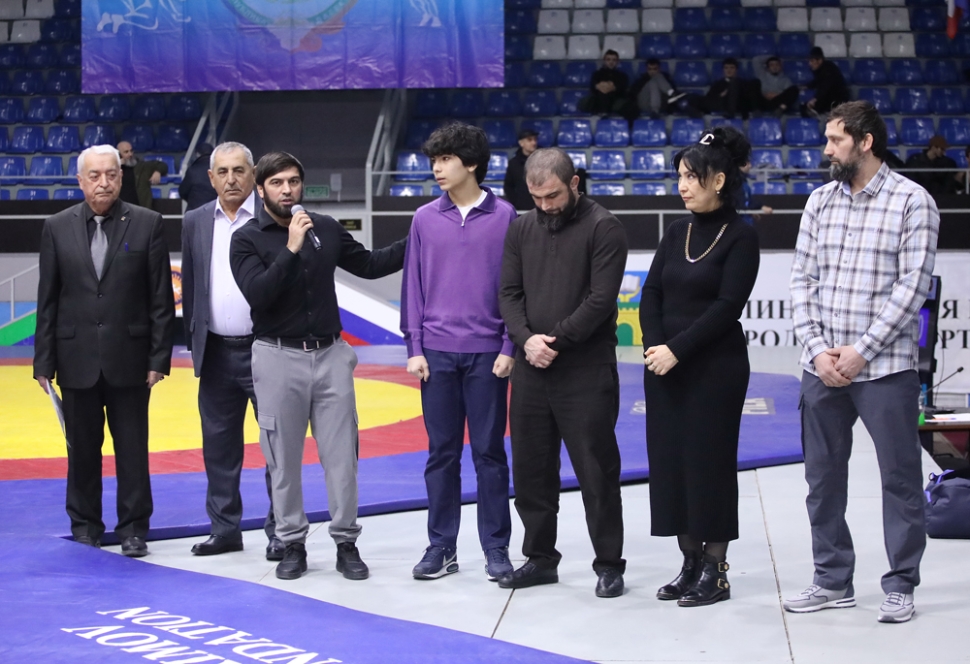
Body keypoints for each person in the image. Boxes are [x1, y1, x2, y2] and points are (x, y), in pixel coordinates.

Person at [786, 101, 940, 623]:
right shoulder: (819, 202)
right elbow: (801, 281)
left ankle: (901, 584)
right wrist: (816, 350)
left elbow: (912, 288)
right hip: (821, 368)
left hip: (885, 369)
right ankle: (832, 580)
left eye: (836, 140)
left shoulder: (913, 202)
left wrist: (860, 351)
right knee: (822, 480)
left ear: (865, 141)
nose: (827, 150)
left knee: (900, 479)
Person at [230, 152, 407, 581]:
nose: (287, 190)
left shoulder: (324, 228)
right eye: (277, 183)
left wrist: (419, 235)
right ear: (260, 189)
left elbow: (370, 264)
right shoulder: (246, 238)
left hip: (330, 355)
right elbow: (260, 294)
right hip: (277, 356)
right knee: (283, 459)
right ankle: (292, 543)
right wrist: (291, 247)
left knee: (342, 457)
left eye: (293, 181)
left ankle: (346, 542)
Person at [498, 148, 628, 598]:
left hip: (585, 371)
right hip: (531, 369)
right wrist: (526, 340)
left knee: (596, 471)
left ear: (574, 184)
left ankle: (609, 564)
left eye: (552, 196)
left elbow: (600, 300)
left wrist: (552, 342)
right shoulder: (521, 228)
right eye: (536, 198)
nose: (545, 206)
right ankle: (539, 558)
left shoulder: (604, 227)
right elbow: (508, 294)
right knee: (531, 471)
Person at [33, 144, 175, 556]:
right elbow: (48, 299)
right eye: (94, 176)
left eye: (111, 174)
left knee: (132, 450)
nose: (103, 183)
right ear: (80, 181)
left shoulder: (147, 223)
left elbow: (160, 299)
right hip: (74, 359)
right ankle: (85, 526)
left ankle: (134, 529)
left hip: (131, 360)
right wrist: (43, 361)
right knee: (81, 452)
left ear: (121, 177)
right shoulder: (56, 227)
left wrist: (158, 358)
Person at [639, 128, 760, 607]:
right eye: (680, 177)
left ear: (719, 180)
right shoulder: (676, 232)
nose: (683, 186)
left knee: (709, 465)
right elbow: (651, 292)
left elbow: (727, 306)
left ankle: (715, 569)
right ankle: (689, 562)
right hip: (664, 367)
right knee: (670, 463)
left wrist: (677, 349)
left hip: (715, 369)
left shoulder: (742, 235)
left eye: (692, 177)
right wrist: (655, 346)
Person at [400, 123, 517, 582]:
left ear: (471, 163)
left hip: (489, 355)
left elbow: (515, 287)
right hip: (436, 355)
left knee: (490, 454)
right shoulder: (424, 218)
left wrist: (508, 344)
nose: (437, 168)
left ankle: (496, 548)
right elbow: (412, 285)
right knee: (441, 455)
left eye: (445, 159)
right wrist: (414, 346)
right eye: (434, 160)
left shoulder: (506, 216)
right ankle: (441, 547)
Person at [180, 141, 282, 560]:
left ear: (253, 174)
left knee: (277, 445)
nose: (231, 179)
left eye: (239, 170)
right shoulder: (195, 221)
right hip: (216, 353)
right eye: (222, 172)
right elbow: (192, 286)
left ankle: (282, 530)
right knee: (218, 447)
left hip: (267, 349)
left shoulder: (273, 218)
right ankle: (224, 530)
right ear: (210, 178)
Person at [117, 141, 168, 209]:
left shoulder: (142, 167)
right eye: (126, 152)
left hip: (140, 209)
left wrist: (158, 171)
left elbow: (163, 165)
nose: (130, 154)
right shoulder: (115, 170)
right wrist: (116, 164)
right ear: (119, 154)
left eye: (131, 151)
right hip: (120, 209)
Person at [802, 47, 850, 118]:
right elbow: (818, 81)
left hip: (837, 99)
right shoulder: (820, 70)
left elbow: (826, 86)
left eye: (812, 61)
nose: (810, 64)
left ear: (819, 60)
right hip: (829, 98)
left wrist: (815, 99)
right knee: (803, 107)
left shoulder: (829, 69)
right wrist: (806, 86)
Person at [580, 50, 629, 115]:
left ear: (617, 62)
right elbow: (593, 87)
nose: (611, 62)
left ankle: (603, 112)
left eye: (614, 60)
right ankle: (603, 111)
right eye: (608, 59)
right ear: (604, 61)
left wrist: (610, 88)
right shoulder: (597, 74)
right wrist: (603, 87)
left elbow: (621, 89)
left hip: (615, 100)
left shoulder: (622, 76)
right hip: (599, 100)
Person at [504, 128, 538, 211]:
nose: (534, 143)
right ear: (521, 143)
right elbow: (508, 186)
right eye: (529, 140)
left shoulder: (544, 161)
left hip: (541, 207)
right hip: (521, 208)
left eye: (535, 139)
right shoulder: (513, 163)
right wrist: (516, 203)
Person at [178, 142, 218, 211]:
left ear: (197, 154)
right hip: (215, 210)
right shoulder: (219, 170)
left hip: (195, 210)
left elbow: (183, 192)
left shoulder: (192, 170)